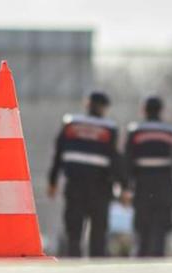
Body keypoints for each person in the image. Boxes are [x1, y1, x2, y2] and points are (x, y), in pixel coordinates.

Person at [46, 90, 124, 257]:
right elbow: (116, 161)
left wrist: (52, 182)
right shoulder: (109, 128)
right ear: (104, 108)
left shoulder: (70, 124)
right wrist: (123, 186)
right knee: (98, 233)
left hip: (75, 185)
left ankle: (74, 267)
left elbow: (58, 155)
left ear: (87, 104)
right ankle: (96, 269)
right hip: (100, 187)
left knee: (73, 231)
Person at [123, 95, 172, 258]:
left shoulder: (135, 131)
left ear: (143, 110)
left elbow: (127, 161)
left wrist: (126, 187)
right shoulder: (171, 132)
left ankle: (142, 259)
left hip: (142, 185)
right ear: (161, 111)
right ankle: (158, 258)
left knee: (143, 228)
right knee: (161, 228)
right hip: (165, 184)